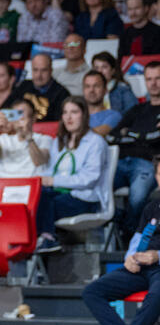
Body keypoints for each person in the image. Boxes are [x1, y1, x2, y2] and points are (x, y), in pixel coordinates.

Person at [82, 155, 160, 325]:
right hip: (142, 266)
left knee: (158, 294)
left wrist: (157, 256)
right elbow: (139, 237)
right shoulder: (153, 206)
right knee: (92, 292)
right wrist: (131, 257)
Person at [36, 97, 110, 252]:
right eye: (65, 112)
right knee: (36, 197)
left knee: (47, 203)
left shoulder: (96, 142)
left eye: (74, 112)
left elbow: (88, 179)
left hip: (86, 197)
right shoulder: (59, 141)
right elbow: (50, 171)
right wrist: (45, 180)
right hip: (59, 193)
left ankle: (47, 238)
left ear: (84, 115)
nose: (68, 117)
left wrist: (54, 181)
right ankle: (39, 239)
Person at [109, 62, 160, 239]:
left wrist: (129, 134)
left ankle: (129, 235)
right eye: (149, 79)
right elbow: (113, 134)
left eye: (158, 78)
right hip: (122, 162)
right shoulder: (137, 109)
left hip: (149, 164)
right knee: (94, 188)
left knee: (137, 198)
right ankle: (122, 219)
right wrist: (146, 135)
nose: (153, 83)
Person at [0, 101, 52, 178]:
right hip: (5, 184)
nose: (19, 118)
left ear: (33, 118)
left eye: (22, 114)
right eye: (15, 114)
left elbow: (39, 161)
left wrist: (28, 137)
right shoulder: (3, 139)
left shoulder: (44, 139)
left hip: (31, 184)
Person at [7, 54, 70, 121]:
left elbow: (58, 124)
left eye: (44, 70)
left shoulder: (62, 94)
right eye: (35, 70)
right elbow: (4, 110)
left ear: (51, 71)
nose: (39, 75)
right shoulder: (24, 85)